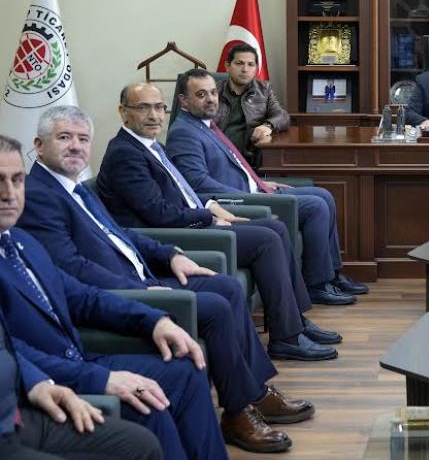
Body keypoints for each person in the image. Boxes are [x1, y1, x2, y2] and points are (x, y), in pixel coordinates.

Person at [16, 107, 311, 454]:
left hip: (143, 276)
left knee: (227, 287)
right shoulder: (37, 194)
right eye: (64, 137)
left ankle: (252, 397)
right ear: (39, 145)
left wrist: (170, 254)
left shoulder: (73, 186)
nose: (75, 146)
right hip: (124, 291)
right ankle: (240, 410)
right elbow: (73, 268)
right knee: (216, 308)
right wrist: (141, 289)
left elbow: (118, 233)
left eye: (83, 139)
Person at [0, 133, 225, 460]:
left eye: (17, 180)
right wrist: (100, 378)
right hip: (46, 380)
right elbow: (10, 352)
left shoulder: (21, 241)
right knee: (149, 405)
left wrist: (154, 321)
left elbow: (82, 298)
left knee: (185, 370)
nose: (9, 193)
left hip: (80, 358)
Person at [96, 83, 340, 360]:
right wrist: (207, 216)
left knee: (275, 228)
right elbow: (158, 214)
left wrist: (211, 205)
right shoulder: (125, 154)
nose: (154, 115)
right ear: (123, 112)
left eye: (159, 107)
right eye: (143, 108)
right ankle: (287, 337)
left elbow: (182, 191)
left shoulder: (152, 146)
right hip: (167, 237)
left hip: (186, 223)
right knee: (267, 239)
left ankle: (294, 322)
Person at [166, 68, 368, 305]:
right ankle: (317, 285)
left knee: (324, 195)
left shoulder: (205, 124)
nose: (211, 99)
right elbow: (198, 183)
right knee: (315, 206)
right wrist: (249, 193)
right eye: (201, 94)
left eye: (213, 92)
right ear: (184, 101)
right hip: (237, 201)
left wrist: (259, 183)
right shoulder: (184, 132)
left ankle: (331, 274)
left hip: (252, 189)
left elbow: (233, 164)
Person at [0, 308, 163, 460]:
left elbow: (5, 347)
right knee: (147, 407)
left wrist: (35, 382)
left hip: (19, 415)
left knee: (144, 441)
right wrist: (98, 378)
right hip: (9, 430)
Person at [215, 43, 289, 168]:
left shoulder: (264, 90)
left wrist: (268, 126)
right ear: (227, 66)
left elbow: (282, 116)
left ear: (256, 68)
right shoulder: (213, 91)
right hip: (217, 155)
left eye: (250, 64)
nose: (245, 69)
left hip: (249, 157)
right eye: (239, 63)